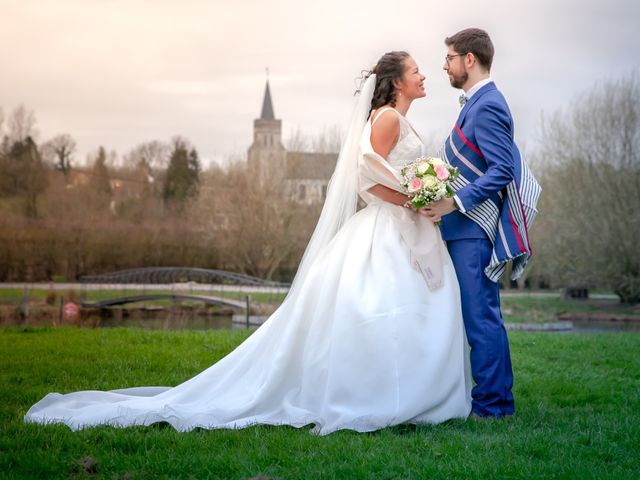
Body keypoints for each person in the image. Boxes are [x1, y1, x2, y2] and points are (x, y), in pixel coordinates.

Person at [24, 51, 471, 435]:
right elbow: (367, 181)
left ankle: (405, 394)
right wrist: (415, 196)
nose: (424, 75)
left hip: (400, 227)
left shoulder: (393, 117)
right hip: (386, 230)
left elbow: (378, 177)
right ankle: (392, 397)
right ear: (396, 81)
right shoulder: (389, 116)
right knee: (386, 310)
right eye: (416, 70)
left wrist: (419, 194)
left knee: (399, 312)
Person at [423, 28, 540, 418]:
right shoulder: (474, 104)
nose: (445, 65)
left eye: (450, 58)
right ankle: (493, 400)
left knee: (481, 318)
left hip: (473, 230)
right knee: (480, 316)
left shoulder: (488, 103)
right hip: (462, 230)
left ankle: (493, 406)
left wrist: (453, 201)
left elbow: (502, 170)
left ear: (469, 60)